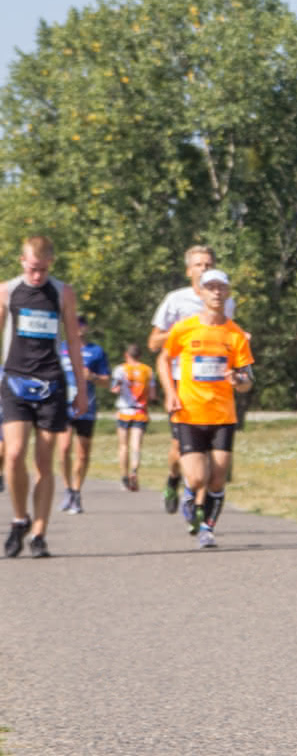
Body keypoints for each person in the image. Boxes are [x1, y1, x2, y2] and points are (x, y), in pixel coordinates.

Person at [2, 236, 90, 558]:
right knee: (12, 455)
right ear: (22, 261)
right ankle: (19, 517)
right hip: (15, 381)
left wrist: (81, 389)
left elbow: (74, 344)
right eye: (32, 268)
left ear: (50, 263)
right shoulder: (7, 291)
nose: (37, 276)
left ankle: (39, 533)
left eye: (43, 269)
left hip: (51, 383)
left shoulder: (62, 292)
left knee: (44, 462)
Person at [156, 268, 253, 549]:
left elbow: (248, 380)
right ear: (200, 292)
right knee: (198, 478)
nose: (216, 293)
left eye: (221, 288)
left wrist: (239, 380)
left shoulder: (235, 335)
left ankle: (208, 529)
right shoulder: (185, 328)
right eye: (210, 287)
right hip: (189, 413)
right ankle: (187, 493)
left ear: (228, 292)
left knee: (218, 477)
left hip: (223, 415)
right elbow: (164, 359)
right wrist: (169, 392)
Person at [148, 245, 236, 515]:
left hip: (215, 385)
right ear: (189, 271)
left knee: (212, 455)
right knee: (179, 450)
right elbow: (153, 343)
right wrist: (184, 330)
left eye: (208, 264)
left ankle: (199, 508)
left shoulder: (225, 300)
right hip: (180, 381)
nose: (204, 269)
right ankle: (174, 478)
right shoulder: (176, 300)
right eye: (198, 265)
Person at [58, 314, 111, 515]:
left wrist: (94, 377)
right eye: (74, 322)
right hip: (64, 406)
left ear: (86, 327)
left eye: (82, 323)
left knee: (82, 453)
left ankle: (77, 490)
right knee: (63, 448)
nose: (78, 326)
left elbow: (107, 381)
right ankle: (67, 489)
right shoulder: (60, 349)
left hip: (86, 408)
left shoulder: (96, 351)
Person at [111, 343, 155, 491]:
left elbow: (114, 389)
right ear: (140, 355)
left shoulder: (120, 369)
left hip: (124, 410)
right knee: (136, 445)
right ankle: (134, 471)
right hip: (140, 411)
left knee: (123, 446)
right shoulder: (148, 370)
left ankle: (124, 475)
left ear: (126, 355)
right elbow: (153, 395)